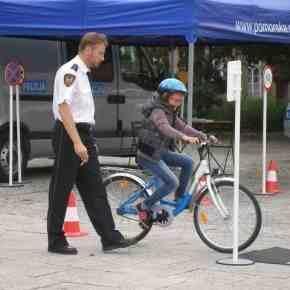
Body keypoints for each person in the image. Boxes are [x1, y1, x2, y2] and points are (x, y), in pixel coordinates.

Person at [47, 32, 131, 254]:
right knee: (61, 188)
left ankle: (110, 237)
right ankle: (55, 240)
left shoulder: (83, 74)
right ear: (89, 49)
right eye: (101, 53)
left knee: (95, 186)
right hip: (69, 134)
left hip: (83, 134)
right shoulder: (70, 71)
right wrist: (76, 142)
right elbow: (63, 107)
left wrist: (85, 140)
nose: (102, 58)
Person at [136, 78, 217, 224]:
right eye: (176, 94)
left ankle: (179, 197)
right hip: (148, 155)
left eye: (181, 95)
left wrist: (203, 136)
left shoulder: (170, 111)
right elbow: (164, 127)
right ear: (165, 95)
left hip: (159, 151)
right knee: (172, 182)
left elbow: (184, 127)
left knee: (188, 162)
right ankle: (144, 206)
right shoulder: (158, 111)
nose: (180, 98)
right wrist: (183, 137)